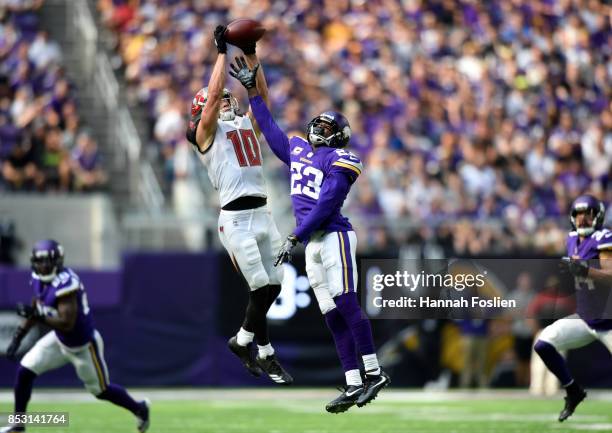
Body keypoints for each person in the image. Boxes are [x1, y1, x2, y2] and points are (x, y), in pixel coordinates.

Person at [230, 56, 390, 413]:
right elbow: (269, 129)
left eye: (327, 125)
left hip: (333, 236)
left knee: (347, 302)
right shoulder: (299, 149)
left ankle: (373, 373)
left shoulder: (344, 159)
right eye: (318, 122)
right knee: (332, 314)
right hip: (312, 241)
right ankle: (352, 383)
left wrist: (295, 236)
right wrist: (252, 91)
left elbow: (327, 204)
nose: (319, 127)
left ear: (340, 135)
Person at [184, 26, 292, 385]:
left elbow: (263, 98)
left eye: (232, 99)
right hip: (236, 218)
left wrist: (250, 51)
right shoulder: (206, 134)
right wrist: (220, 53)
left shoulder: (244, 124)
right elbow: (214, 96)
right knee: (260, 287)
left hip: (263, 212)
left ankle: (253, 345)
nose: (229, 101)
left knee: (274, 286)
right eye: (222, 101)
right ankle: (253, 345)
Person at [1, 240, 150, 433]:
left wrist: (37, 315)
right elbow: (37, 308)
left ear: (58, 261)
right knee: (25, 372)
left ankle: (140, 408)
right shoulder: (38, 279)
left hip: (83, 346)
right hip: (59, 340)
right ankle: (18, 426)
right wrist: (18, 337)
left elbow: (67, 323)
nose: (44, 266)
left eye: (48, 261)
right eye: (40, 261)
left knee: (101, 390)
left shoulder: (66, 283)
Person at [534, 194, 612, 422]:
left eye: (587, 214)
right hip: (586, 318)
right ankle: (573, 390)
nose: (582, 219)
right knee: (544, 344)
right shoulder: (571, 240)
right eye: (578, 214)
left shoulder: (604, 238)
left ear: (596, 216)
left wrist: (583, 270)